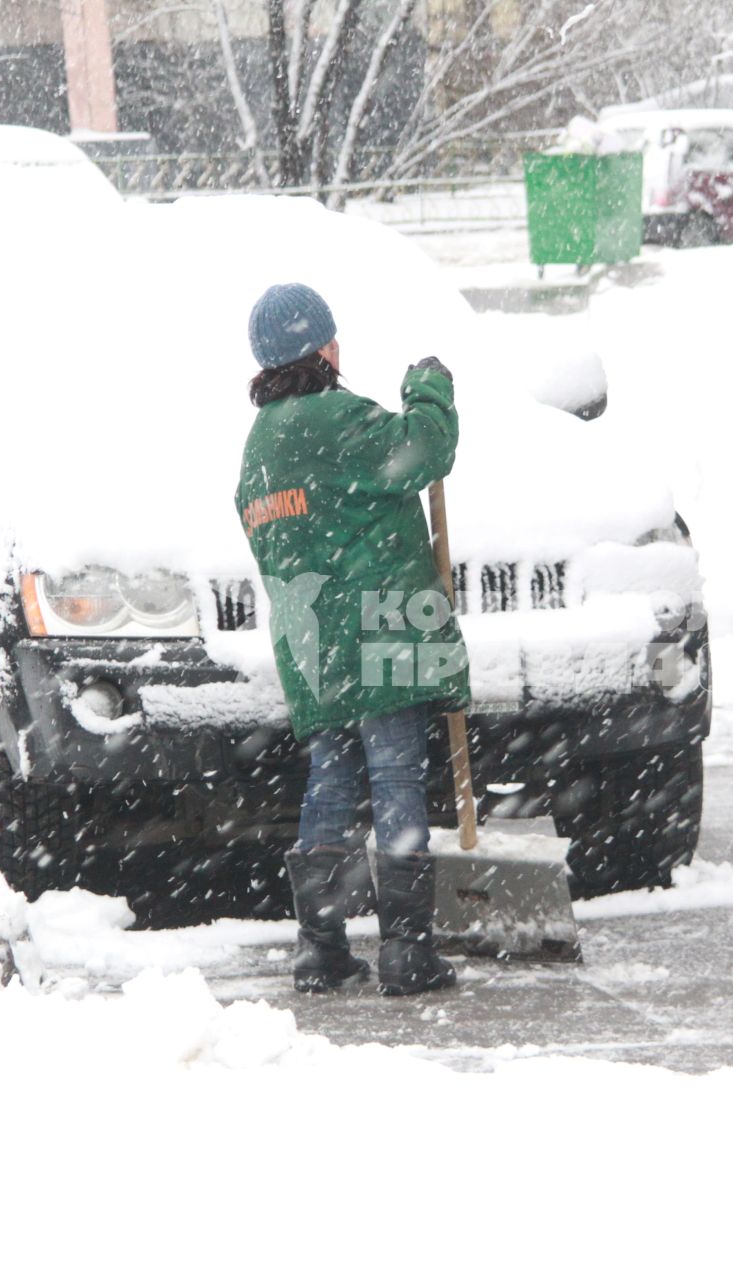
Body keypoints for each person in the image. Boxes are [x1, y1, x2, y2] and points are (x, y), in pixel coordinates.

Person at [236, 282, 469, 994]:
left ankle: (321, 947)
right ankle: (406, 951)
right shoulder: (336, 417)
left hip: (312, 642)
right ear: (325, 347)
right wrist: (428, 390)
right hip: (381, 626)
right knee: (397, 775)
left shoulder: (260, 445)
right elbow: (422, 452)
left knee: (331, 780)